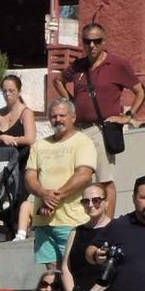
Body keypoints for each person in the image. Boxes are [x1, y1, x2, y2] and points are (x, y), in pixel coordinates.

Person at [52, 20, 145, 212]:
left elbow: (140, 92)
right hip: (79, 130)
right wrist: (71, 104)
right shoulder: (78, 66)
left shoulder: (117, 64)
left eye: (97, 41)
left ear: (104, 41)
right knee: (80, 177)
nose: (92, 46)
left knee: (104, 180)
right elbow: (58, 80)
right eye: (87, 41)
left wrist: (128, 116)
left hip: (102, 130)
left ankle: (107, 225)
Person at [26, 98, 98, 269]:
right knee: (52, 273)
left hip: (72, 221)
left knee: (73, 270)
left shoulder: (83, 142)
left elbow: (84, 175)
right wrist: (43, 194)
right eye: (53, 116)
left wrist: (54, 198)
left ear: (73, 117)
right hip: (44, 221)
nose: (57, 119)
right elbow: (29, 177)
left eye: (62, 115)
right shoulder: (39, 145)